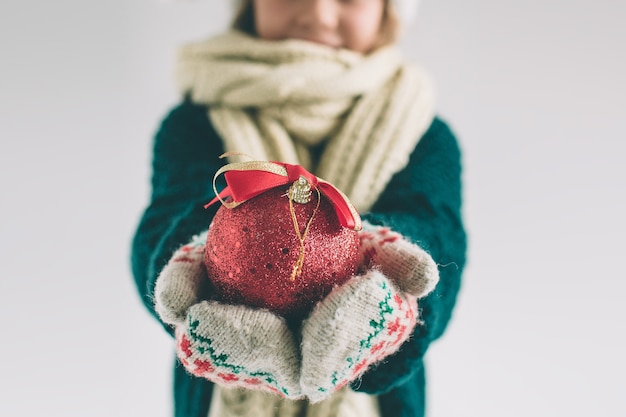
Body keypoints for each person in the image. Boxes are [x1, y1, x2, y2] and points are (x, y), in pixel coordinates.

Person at [131, 0, 467, 416]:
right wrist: (199, 257)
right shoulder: (193, 124)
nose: (319, 14)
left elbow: (440, 235)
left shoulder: (423, 133)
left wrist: (385, 270)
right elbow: (163, 223)